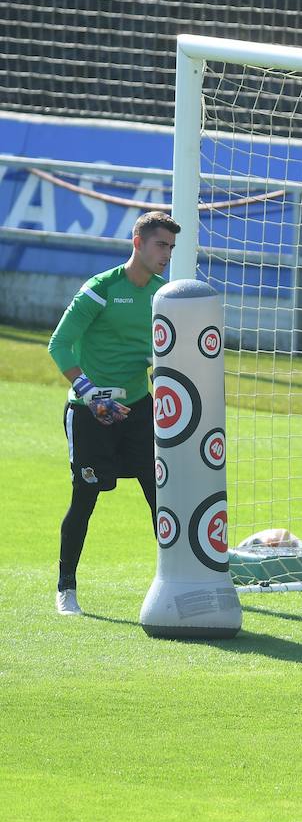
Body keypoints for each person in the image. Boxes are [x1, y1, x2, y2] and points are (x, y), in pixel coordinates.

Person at [47, 210, 178, 616]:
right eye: (161, 245)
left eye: (171, 248)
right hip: (91, 413)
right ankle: (66, 588)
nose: (166, 255)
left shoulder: (163, 295)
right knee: (85, 497)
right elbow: (60, 345)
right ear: (137, 243)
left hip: (139, 410)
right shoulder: (100, 289)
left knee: (162, 497)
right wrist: (90, 396)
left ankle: (180, 584)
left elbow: (166, 351)